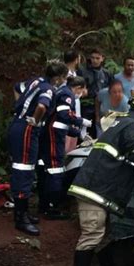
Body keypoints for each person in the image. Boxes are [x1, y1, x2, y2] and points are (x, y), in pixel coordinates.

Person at [69, 93, 134, 266]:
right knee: (92, 236)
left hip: (96, 188)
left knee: (101, 237)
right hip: (96, 190)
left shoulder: (121, 123)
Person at [8, 60, 69, 236]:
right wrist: (34, 119)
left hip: (17, 124)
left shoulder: (36, 81)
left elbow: (17, 87)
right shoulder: (48, 88)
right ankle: (21, 218)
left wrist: (21, 108)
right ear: (57, 78)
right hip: (27, 129)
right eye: (64, 78)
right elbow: (42, 105)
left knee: (23, 168)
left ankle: (23, 212)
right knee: (24, 169)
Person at [37, 76, 91, 220]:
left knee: (47, 169)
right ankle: (53, 207)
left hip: (52, 134)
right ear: (79, 87)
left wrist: (78, 134)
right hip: (54, 137)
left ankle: (45, 204)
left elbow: (62, 123)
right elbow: (63, 115)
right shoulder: (67, 94)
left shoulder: (62, 92)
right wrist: (82, 122)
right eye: (83, 90)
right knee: (56, 170)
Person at [78, 49, 113, 138]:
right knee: (85, 130)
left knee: (101, 131)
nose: (95, 60)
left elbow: (111, 89)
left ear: (102, 58)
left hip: (102, 106)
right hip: (86, 106)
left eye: (97, 58)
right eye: (93, 58)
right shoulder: (82, 71)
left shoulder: (106, 73)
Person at [64, 50, 84, 152]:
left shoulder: (75, 72)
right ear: (76, 59)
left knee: (74, 138)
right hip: (68, 106)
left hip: (76, 106)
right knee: (67, 138)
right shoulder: (65, 74)